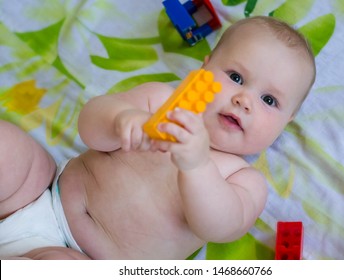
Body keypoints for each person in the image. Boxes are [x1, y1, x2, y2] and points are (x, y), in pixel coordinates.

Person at [0, 15, 316, 260]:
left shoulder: (243, 180)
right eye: (235, 77)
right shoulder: (159, 102)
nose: (244, 100)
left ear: (286, 122)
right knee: (9, 149)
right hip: (44, 193)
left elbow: (219, 227)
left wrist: (197, 165)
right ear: (204, 68)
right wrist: (122, 120)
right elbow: (89, 125)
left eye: (269, 100)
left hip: (92, 262)